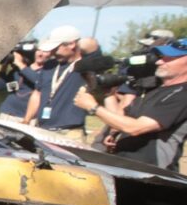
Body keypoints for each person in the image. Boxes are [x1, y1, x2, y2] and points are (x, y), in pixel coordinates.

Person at [74, 39, 187, 170]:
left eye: (170, 58)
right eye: (161, 57)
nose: (159, 61)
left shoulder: (183, 94)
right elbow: (122, 119)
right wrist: (108, 95)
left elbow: (136, 128)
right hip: (124, 165)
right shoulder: (155, 89)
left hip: (152, 174)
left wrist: (93, 107)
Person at [23, 25, 89, 141]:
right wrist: (26, 120)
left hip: (70, 133)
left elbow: (93, 46)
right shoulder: (50, 65)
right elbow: (37, 93)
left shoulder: (86, 66)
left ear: (71, 44)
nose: (52, 52)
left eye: (56, 48)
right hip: (42, 130)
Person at [0, 47, 51, 122]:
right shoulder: (18, 71)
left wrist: (20, 64)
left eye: (45, 51)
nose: (40, 54)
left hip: (27, 117)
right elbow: (0, 87)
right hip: (8, 113)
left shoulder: (48, 71)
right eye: (38, 50)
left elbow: (39, 82)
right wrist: (4, 66)